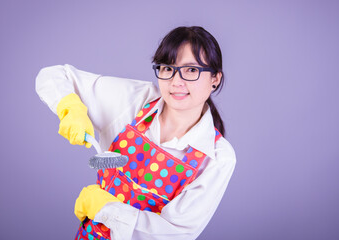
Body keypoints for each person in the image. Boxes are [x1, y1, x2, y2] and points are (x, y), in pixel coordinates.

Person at [36, 26, 236, 240]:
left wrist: (106, 209)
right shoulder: (134, 101)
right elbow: (54, 75)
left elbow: (175, 234)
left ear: (215, 78)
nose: (176, 81)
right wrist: (70, 108)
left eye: (191, 70)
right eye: (167, 68)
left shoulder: (218, 157)